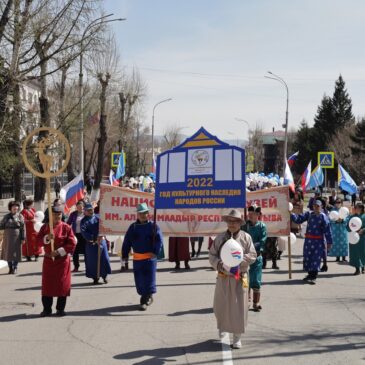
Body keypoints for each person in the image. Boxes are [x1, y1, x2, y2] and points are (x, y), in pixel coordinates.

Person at [209, 209, 256, 349]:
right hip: (223, 276)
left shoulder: (246, 238)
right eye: (229, 221)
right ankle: (222, 329)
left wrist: (239, 261)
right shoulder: (220, 238)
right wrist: (220, 264)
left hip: (240, 277)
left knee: (239, 307)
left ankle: (237, 337)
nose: (232, 224)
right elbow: (212, 255)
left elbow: (253, 255)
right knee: (221, 304)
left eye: (235, 221)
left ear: (240, 223)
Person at [121, 203, 163, 311]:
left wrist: (155, 252)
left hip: (149, 259)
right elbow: (127, 241)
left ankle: (144, 300)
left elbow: (159, 240)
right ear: (137, 215)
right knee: (139, 280)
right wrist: (125, 254)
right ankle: (147, 295)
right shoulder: (133, 227)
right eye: (140, 213)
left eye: (145, 213)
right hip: (137, 259)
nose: (143, 215)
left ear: (148, 214)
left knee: (148, 279)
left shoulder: (153, 226)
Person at [37, 205, 76, 316]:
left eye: (59, 214)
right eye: (54, 215)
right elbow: (39, 241)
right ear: (50, 216)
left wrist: (59, 251)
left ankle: (60, 309)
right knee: (47, 285)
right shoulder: (45, 228)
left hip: (62, 261)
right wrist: (47, 238)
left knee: (62, 285)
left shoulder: (66, 227)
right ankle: (47, 309)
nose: (57, 216)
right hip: (49, 261)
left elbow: (72, 244)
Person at [291, 200, 333, 284]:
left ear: (321, 207)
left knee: (316, 258)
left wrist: (329, 242)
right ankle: (310, 274)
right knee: (308, 257)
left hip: (318, 241)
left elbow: (328, 230)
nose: (316, 208)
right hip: (308, 241)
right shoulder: (309, 214)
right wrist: (291, 214)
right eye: (314, 206)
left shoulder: (323, 217)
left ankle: (314, 276)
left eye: (317, 206)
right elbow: (299, 219)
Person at [241, 206, 267, 311]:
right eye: (249, 212)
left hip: (256, 256)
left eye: (253, 213)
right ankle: (246, 301)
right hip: (245, 257)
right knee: (245, 279)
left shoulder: (262, 226)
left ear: (258, 215)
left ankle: (256, 303)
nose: (251, 215)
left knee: (256, 279)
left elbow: (262, 240)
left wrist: (252, 247)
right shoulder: (244, 226)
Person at [80, 203, 111, 284]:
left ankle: (105, 276)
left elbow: (104, 226)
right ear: (85, 211)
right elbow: (84, 232)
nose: (91, 211)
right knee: (92, 261)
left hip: (101, 241)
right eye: (89, 210)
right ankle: (95, 277)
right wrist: (93, 238)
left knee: (104, 259)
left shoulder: (98, 218)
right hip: (91, 244)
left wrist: (101, 235)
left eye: (91, 209)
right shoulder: (83, 221)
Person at [0, 201, 25, 274]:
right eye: (13, 206)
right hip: (7, 236)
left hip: (17, 236)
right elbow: (1, 225)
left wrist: (23, 238)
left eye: (16, 206)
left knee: (16, 253)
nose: (15, 207)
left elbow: (23, 228)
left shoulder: (20, 216)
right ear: (10, 208)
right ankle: (10, 267)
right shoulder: (6, 216)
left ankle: (15, 267)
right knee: (8, 252)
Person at [67, 200, 86, 272]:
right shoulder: (73, 214)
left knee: (86, 251)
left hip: (84, 235)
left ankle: (87, 266)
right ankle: (76, 266)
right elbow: (68, 223)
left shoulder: (85, 214)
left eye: (81, 207)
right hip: (75, 235)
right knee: (75, 251)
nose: (79, 208)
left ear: (83, 207)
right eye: (78, 207)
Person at [347, 203, 365, 275]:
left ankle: (363, 267)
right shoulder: (352, 217)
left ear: (361, 208)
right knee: (354, 254)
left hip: (362, 238)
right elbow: (347, 227)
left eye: (357, 208)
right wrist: (351, 229)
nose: (355, 209)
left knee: (363, 252)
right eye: (355, 207)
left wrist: (363, 230)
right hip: (353, 238)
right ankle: (357, 269)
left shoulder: (364, 216)